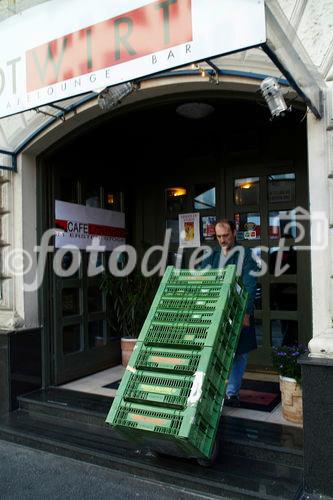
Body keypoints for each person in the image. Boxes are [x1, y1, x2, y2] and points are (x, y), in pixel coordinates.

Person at [201, 219, 257, 406]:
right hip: (216, 310)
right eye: (219, 236)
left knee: (239, 352)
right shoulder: (212, 255)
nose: (222, 240)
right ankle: (213, 389)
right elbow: (202, 278)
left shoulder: (246, 254)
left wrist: (246, 313)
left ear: (234, 232)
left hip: (239, 309)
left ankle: (232, 392)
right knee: (215, 350)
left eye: (226, 235)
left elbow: (249, 285)